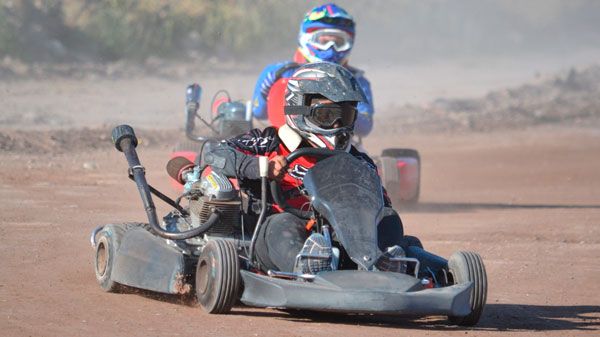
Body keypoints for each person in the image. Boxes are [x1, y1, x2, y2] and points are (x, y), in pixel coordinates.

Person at [206, 62, 402, 275]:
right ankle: (308, 267)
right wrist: (263, 167)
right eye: (327, 116)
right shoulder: (269, 142)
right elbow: (216, 153)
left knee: (389, 220)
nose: (337, 126)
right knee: (282, 225)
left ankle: (387, 267)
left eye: (344, 117)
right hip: (274, 234)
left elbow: (380, 205)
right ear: (300, 109)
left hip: (342, 236)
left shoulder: (357, 160)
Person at [251, 3, 374, 139]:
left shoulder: (355, 81)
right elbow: (259, 113)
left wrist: (338, 108)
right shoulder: (280, 73)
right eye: (324, 41)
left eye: (338, 43)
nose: (331, 49)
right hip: (285, 142)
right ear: (306, 39)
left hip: (340, 143)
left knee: (364, 158)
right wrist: (264, 94)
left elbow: (365, 128)